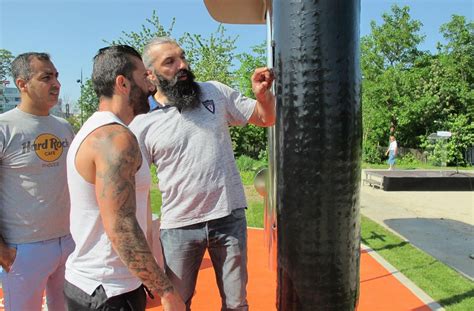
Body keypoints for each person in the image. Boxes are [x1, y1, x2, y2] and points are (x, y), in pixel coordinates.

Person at [129, 37, 276, 310]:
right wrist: (146, 246)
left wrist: (263, 96)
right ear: (150, 74)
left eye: (182, 57)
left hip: (228, 217)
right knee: (177, 304)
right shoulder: (141, 123)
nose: (182, 65)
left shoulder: (215, 92)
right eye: (170, 62)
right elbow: (137, 187)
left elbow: (265, 118)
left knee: (236, 304)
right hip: (179, 227)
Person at [63, 45, 184, 311]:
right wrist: (166, 291)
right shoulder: (115, 139)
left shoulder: (98, 130)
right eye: (144, 77)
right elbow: (121, 226)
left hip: (98, 286)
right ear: (123, 83)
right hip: (107, 292)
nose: (152, 85)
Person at [0, 52, 75, 311]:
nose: (56, 83)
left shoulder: (64, 127)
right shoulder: (4, 127)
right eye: (46, 77)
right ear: (22, 84)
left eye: (56, 76)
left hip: (69, 242)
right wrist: (3, 252)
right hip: (23, 249)